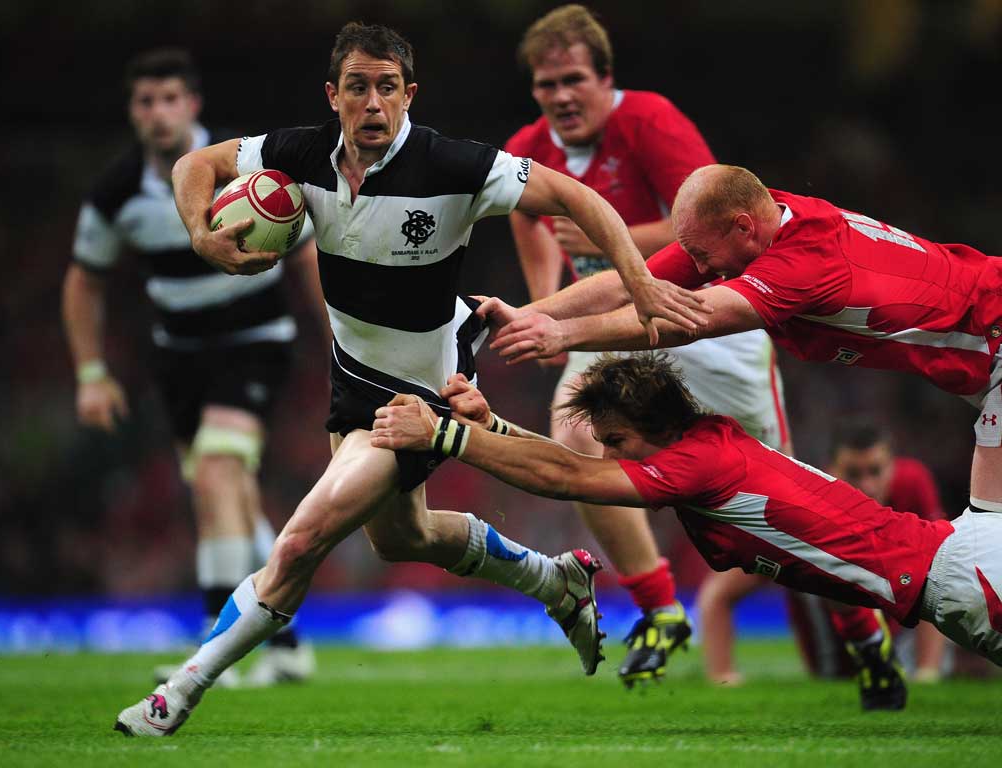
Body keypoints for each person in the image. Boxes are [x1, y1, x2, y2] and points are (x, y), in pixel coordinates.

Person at [114, 23, 708, 737]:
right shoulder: (299, 154)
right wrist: (201, 233)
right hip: (352, 375)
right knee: (403, 538)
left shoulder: (455, 165)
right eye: (358, 87)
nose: (373, 103)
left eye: (387, 87)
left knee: (302, 542)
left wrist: (639, 285)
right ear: (333, 96)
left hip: (418, 389)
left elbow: (581, 201)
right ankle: (557, 580)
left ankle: (178, 693)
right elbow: (194, 166)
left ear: (408, 95)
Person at [370, 353, 1002, 678]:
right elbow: (571, 464)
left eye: (616, 441)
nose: (609, 454)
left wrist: (445, 437)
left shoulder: (698, 467)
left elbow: (567, 477)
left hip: (957, 578)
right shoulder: (703, 445)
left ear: (655, 430)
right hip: (953, 560)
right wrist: (493, 427)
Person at [478, 163, 1002, 539]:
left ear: (743, 227)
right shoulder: (762, 215)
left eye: (703, 255)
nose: (700, 268)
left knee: (985, 536)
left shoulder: (803, 264)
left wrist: (564, 336)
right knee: (986, 535)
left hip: (996, 337)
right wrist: (534, 314)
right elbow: (631, 284)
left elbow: (689, 319)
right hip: (981, 363)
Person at [504, 4, 790, 686]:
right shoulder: (526, 149)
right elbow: (528, 219)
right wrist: (544, 305)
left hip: (697, 312)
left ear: (606, 78)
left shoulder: (650, 120)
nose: (561, 97)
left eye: (574, 79)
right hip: (607, 324)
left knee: (778, 488)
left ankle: (859, 621)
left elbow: (710, 226)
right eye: (547, 86)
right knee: (572, 433)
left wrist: (613, 238)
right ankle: (660, 607)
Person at [62, 48, 320, 688]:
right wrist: (91, 371)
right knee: (225, 491)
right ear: (132, 111)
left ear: (193, 104)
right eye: (145, 101)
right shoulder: (117, 193)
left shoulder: (244, 172)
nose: (158, 113)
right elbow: (83, 281)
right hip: (178, 356)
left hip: (255, 340)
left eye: (170, 99)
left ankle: (217, 649)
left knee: (216, 473)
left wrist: (342, 340)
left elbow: (311, 256)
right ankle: (286, 645)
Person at [698, 419, 945, 691]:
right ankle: (856, 666)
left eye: (875, 471)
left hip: (904, 639)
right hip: (830, 657)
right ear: (829, 472)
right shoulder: (801, 504)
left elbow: (936, 577)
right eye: (853, 473)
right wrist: (723, 676)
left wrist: (927, 672)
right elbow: (717, 596)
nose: (868, 486)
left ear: (893, 467)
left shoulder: (912, 484)